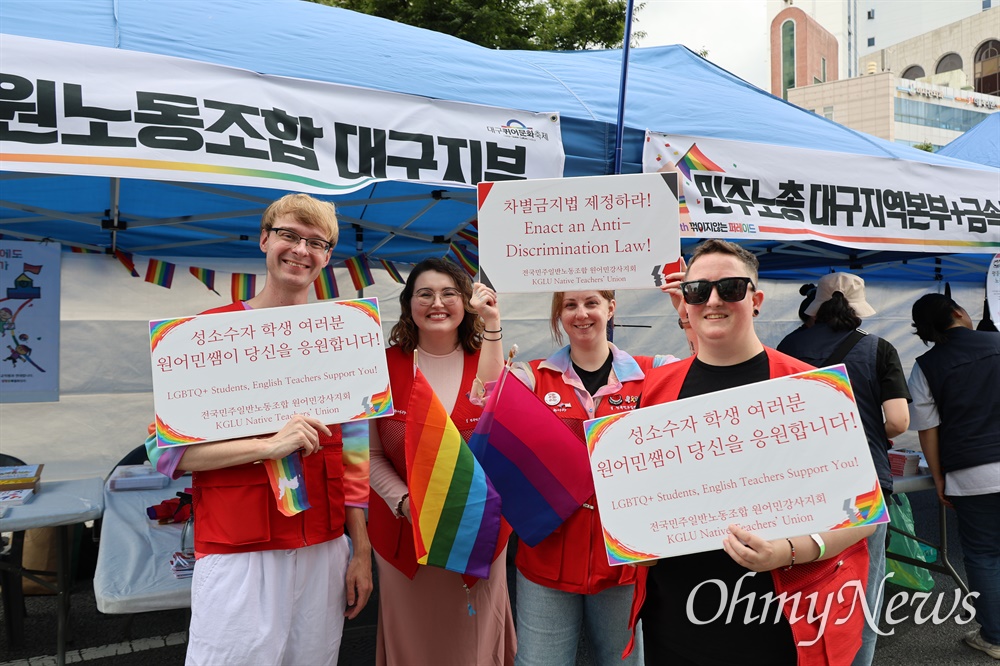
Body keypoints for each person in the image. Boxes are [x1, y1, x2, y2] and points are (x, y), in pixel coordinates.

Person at [145, 193, 372, 666]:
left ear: (328, 257)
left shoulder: (345, 337)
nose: (301, 250)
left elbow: (354, 459)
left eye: (317, 242)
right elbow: (166, 455)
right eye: (289, 235)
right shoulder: (204, 335)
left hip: (324, 545)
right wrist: (269, 446)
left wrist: (361, 550)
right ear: (265, 239)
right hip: (238, 546)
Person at [632, 239, 874, 666]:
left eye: (729, 288)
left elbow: (863, 515)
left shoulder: (811, 388)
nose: (712, 300)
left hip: (779, 613)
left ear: (755, 299)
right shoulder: (655, 389)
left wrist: (789, 551)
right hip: (676, 614)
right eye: (697, 290)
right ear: (683, 302)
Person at [473, 282, 689, 666]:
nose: (581, 313)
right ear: (559, 315)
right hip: (547, 558)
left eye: (591, 302)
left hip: (621, 559)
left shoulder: (653, 370)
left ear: (611, 307)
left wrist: (686, 312)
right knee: (540, 662)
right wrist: (491, 322)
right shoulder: (535, 376)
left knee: (621, 662)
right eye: (569, 304)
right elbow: (491, 395)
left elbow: (707, 377)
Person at [367, 258, 516, 666]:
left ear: (466, 302)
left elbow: (500, 426)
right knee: (416, 644)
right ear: (408, 303)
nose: (438, 303)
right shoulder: (381, 368)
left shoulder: (486, 357)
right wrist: (403, 503)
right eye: (425, 294)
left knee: (473, 644)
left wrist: (493, 326)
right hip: (406, 537)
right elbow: (370, 455)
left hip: (478, 535)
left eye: (450, 293)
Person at [777, 271, 910, 666]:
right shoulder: (879, 349)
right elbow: (899, 422)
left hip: (797, 481)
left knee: (799, 585)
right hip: (863, 482)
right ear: (859, 307)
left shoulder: (787, 345)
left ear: (815, 305)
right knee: (863, 590)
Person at [907, 293, 1000, 660]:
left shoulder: (925, 366)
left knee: (984, 555)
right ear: (959, 313)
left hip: (971, 472)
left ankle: (994, 637)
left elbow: (927, 429)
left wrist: (940, 477)